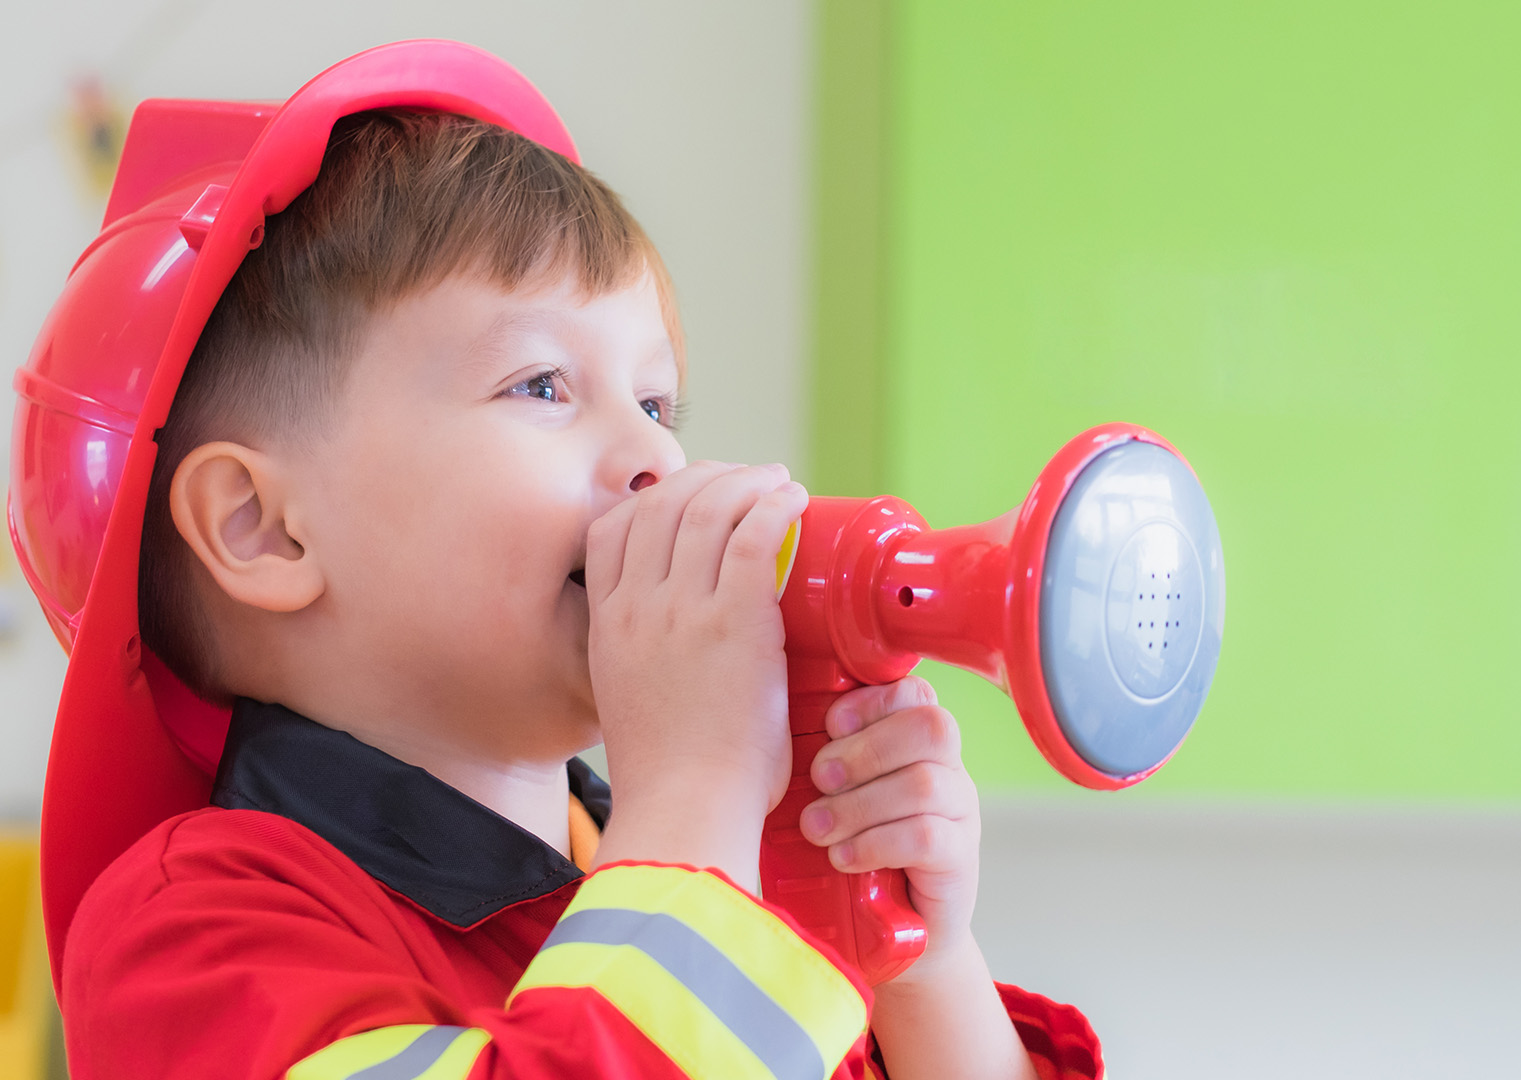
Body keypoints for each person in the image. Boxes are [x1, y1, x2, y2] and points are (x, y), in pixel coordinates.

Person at [17, 42, 1099, 1080]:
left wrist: (917, 972)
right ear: (265, 529)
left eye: (657, 403)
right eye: (541, 385)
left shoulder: (692, 873)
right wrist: (697, 794)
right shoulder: (192, 930)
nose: (658, 458)